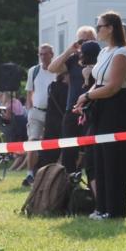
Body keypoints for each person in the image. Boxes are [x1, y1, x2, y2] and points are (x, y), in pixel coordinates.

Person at [72, 12, 126, 219]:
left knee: (114, 159)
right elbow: (98, 81)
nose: (97, 30)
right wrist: (86, 97)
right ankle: (102, 207)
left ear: (110, 28)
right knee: (99, 159)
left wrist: (87, 95)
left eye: (99, 26)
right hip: (101, 109)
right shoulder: (103, 52)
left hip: (118, 110)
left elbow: (112, 87)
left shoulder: (123, 52)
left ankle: (116, 209)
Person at [49, 26, 98, 173]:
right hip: (72, 109)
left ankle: (93, 183)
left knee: (91, 150)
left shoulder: (101, 58)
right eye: (82, 40)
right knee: (69, 150)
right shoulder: (74, 59)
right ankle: (69, 184)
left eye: (89, 40)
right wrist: (69, 50)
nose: (85, 43)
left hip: (93, 109)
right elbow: (52, 68)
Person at [24, 44, 56, 186]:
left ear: (52, 54)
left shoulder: (57, 69)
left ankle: (51, 172)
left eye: (46, 54)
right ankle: (30, 173)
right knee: (32, 141)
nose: (43, 57)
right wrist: (29, 109)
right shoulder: (34, 70)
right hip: (36, 111)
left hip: (53, 113)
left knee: (52, 143)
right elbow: (29, 92)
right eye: (40, 54)